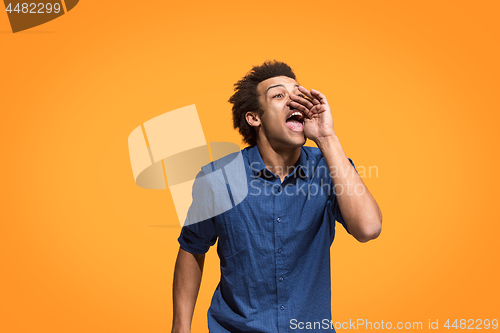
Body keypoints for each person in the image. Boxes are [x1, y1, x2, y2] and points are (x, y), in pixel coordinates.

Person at [171, 60, 382, 333]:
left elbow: (368, 228)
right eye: (279, 95)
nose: (294, 101)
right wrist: (180, 327)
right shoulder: (218, 179)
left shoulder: (330, 167)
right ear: (254, 117)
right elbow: (192, 247)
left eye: (297, 94)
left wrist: (327, 137)